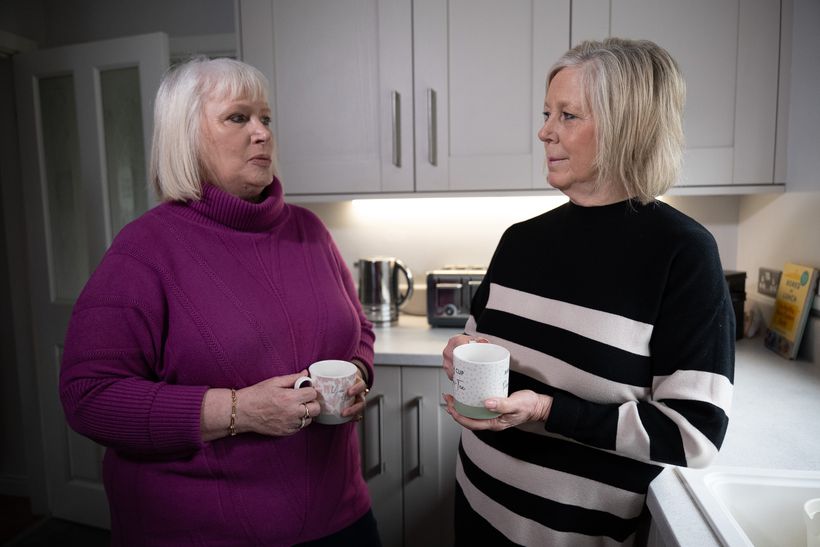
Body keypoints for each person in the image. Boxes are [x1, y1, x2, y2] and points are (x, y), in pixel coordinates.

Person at [60, 57, 381, 546]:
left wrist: (358, 372)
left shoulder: (309, 231)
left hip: (341, 518)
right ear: (186, 136)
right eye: (238, 117)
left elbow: (358, 330)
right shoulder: (143, 251)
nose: (262, 134)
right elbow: (89, 396)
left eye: (266, 118)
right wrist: (240, 411)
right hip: (199, 532)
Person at [442, 38, 735, 546]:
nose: (544, 130)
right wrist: (462, 354)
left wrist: (546, 410)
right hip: (477, 505)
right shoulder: (519, 241)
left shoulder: (682, 254)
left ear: (627, 127)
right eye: (546, 112)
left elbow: (694, 434)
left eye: (568, 115)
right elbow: (481, 345)